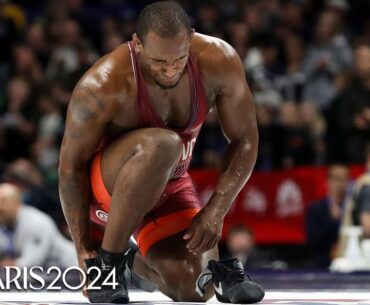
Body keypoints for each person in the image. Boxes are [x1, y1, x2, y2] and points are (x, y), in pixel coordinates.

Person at [58, 2, 263, 304]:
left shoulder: (220, 60)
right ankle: (109, 261)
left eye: (179, 59)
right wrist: (83, 250)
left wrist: (216, 210)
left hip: (170, 183)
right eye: (158, 62)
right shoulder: (103, 83)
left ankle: (131, 261)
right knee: (165, 144)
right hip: (107, 189)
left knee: (194, 288)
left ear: (190, 39)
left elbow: (245, 140)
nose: (169, 70)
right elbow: (69, 168)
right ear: (137, 44)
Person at [0, 183, 77, 268]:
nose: (0, 207)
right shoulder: (4, 224)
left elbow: (32, 263)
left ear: (16, 203)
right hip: (45, 274)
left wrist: (8, 265)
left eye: (4, 201)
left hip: (69, 270)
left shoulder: (35, 222)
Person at [305, 164, 349, 268]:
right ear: (327, 181)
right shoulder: (315, 209)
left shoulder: (352, 208)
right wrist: (332, 221)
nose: (340, 184)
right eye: (337, 179)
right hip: (323, 266)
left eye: (344, 179)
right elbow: (313, 239)